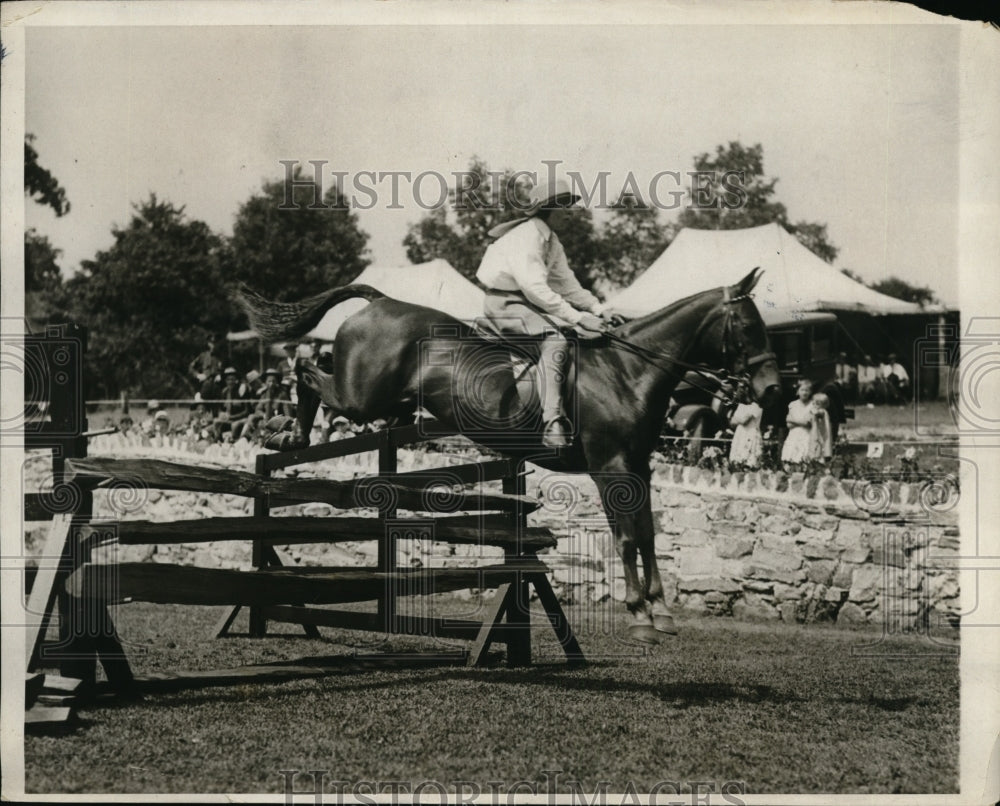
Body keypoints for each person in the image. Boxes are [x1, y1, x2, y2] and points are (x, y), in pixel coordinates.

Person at [475, 176, 618, 447]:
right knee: (556, 340)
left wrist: (600, 309)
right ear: (548, 209)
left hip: (525, 303)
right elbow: (535, 289)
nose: (570, 212)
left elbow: (567, 285)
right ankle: (551, 422)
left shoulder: (551, 241)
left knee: (580, 336)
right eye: (565, 206)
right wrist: (579, 317)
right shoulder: (527, 236)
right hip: (505, 304)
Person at [728, 382, 763, 468]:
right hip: (740, 434)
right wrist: (737, 419)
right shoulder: (741, 406)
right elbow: (731, 422)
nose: (737, 392)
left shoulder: (756, 406)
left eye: (741, 389)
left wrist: (736, 419)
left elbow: (744, 421)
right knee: (736, 461)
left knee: (749, 461)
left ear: (747, 390)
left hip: (750, 434)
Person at [781, 379, 814, 466]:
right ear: (798, 391)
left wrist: (792, 420)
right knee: (792, 460)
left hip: (806, 435)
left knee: (805, 459)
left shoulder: (812, 405)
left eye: (807, 390)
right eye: (802, 390)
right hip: (794, 435)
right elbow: (789, 425)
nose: (804, 393)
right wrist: (799, 422)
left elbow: (808, 423)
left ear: (810, 392)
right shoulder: (793, 405)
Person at [212, 367, 251, 442]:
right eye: (228, 379)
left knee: (234, 425)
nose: (230, 382)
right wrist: (221, 414)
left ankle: (234, 442)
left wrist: (233, 417)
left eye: (232, 379)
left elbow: (247, 411)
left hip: (240, 418)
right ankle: (217, 440)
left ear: (236, 380)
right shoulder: (224, 392)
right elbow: (220, 408)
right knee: (216, 422)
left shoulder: (241, 391)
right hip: (228, 418)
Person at [808, 392, 833, 463]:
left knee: (820, 448)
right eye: (814, 403)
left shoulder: (823, 411)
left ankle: (819, 462)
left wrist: (811, 410)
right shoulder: (817, 411)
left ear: (824, 405)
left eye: (817, 403)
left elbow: (818, 414)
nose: (815, 405)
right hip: (816, 432)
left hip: (821, 433)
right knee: (814, 447)